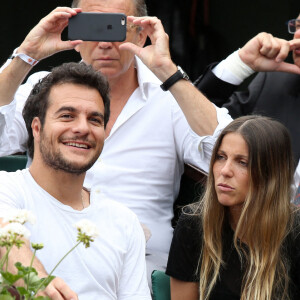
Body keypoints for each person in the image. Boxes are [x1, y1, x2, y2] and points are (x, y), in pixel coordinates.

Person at [0, 0, 232, 256]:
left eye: (114, 27)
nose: (104, 43)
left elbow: (232, 153)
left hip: (142, 269)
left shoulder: (169, 97)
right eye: (93, 27)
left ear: (141, 34)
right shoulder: (46, 88)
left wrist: (168, 72)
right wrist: (26, 54)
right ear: (76, 31)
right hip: (46, 264)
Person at [0, 62, 151, 300]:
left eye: (94, 120)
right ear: (37, 128)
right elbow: (6, 242)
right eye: (67, 116)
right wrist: (38, 283)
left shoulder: (124, 222)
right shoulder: (6, 188)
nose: (82, 128)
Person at [166, 115, 300, 300]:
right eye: (221, 157)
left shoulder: (295, 230)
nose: (225, 170)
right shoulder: (193, 224)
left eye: (242, 162)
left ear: (270, 173)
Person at [195, 15, 300, 199]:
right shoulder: (275, 86)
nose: (297, 35)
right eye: (297, 26)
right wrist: (241, 64)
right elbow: (191, 115)